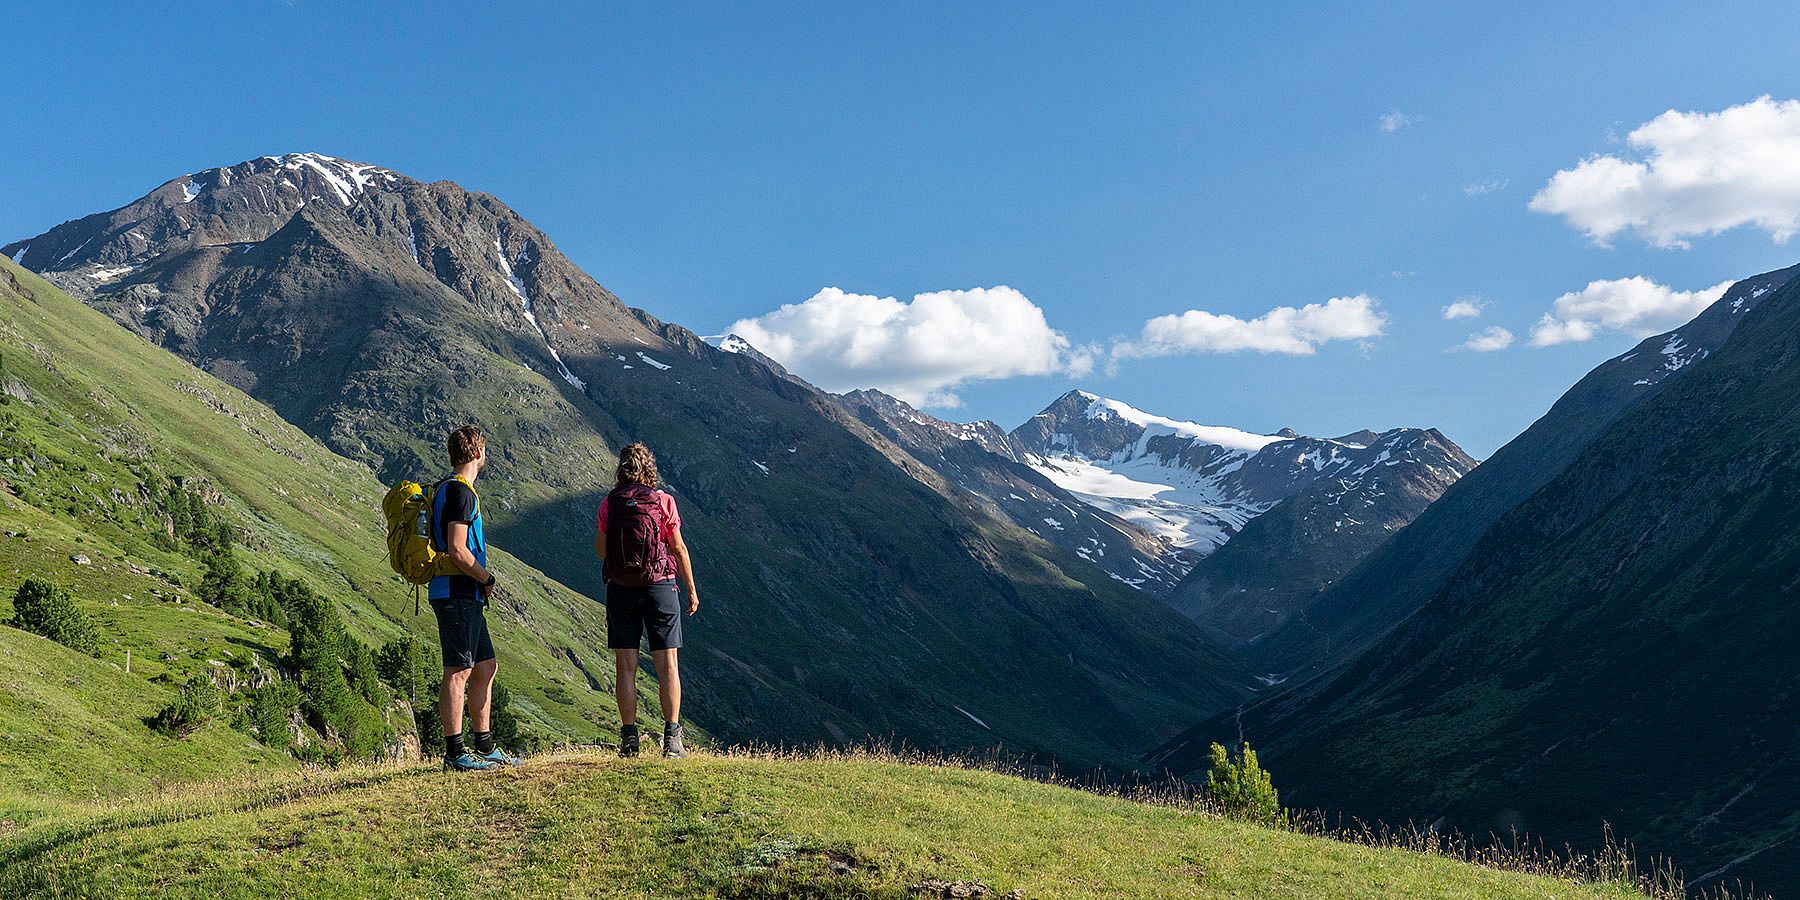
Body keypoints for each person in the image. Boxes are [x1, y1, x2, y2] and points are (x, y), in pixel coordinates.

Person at [595, 443, 699, 758]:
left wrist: (623, 569)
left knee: (625, 667)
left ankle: (629, 741)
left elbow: (601, 548)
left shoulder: (609, 505)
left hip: (621, 589)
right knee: (667, 666)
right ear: (649, 469)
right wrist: (691, 589)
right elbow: (678, 549)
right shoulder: (664, 501)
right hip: (661, 588)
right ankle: (672, 741)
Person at [430, 424, 519, 771]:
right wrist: (487, 577)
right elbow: (457, 549)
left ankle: (484, 745)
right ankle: (455, 754)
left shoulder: (447, 489)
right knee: (458, 671)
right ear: (479, 453)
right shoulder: (462, 493)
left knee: (485, 666)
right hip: (457, 592)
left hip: (462, 593)